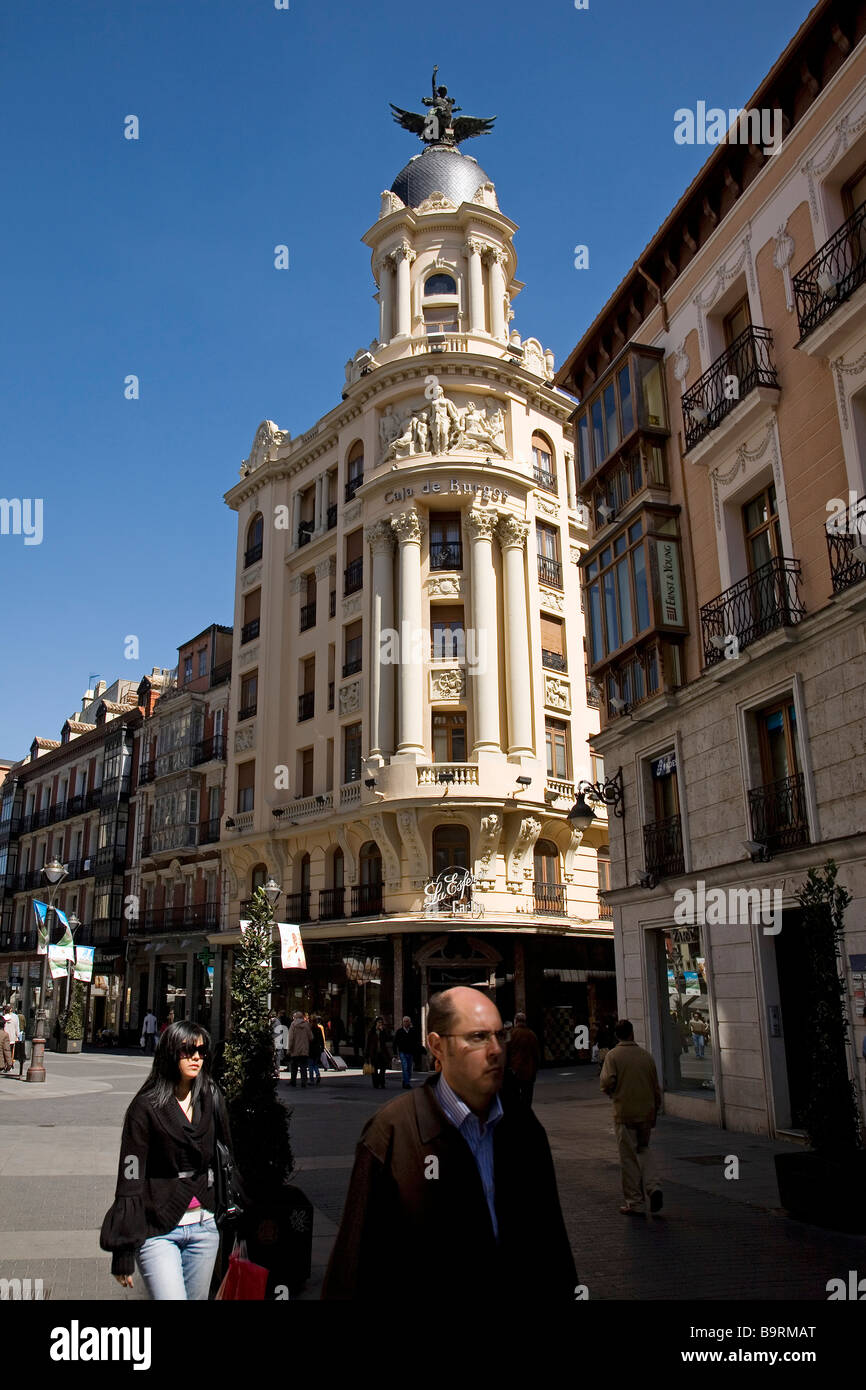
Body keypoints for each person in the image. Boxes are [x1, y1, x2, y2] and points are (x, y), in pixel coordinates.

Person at [322, 986, 576, 1300]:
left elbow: (554, 1253)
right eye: (477, 1037)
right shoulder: (391, 1133)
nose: (496, 1049)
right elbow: (352, 1272)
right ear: (437, 1047)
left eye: (499, 1035)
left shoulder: (524, 1129)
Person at [99, 1020, 233, 1299]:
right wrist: (123, 1249)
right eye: (188, 1050)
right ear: (171, 1053)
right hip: (158, 1231)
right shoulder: (145, 1107)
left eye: (201, 1051)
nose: (196, 1057)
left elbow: (227, 1158)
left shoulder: (211, 1097)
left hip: (205, 1226)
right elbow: (130, 1178)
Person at [600, 1019, 663, 1217]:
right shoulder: (646, 1056)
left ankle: (635, 1202)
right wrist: (655, 1109)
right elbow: (656, 1086)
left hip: (625, 1112)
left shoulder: (613, 1056)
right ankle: (654, 1187)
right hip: (646, 1112)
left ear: (617, 1035)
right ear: (632, 1033)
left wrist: (611, 1092)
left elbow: (607, 1081)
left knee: (628, 1157)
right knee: (644, 1149)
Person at [504, 1011, 540, 1107]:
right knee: (527, 1099)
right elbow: (536, 1055)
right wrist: (535, 1071)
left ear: (515, 1021)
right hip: (529, 1072)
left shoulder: (510, 1034)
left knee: (514, 1098)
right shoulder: (532, 1035)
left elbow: (505, 1052)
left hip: (514, 1072)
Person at [287, 1011, 312, 1088]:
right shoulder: (306, 1025)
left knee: (294, 1066)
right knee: (303, 1067)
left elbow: (290, 1038)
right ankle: (304, 1082)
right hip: (304, 1050)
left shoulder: (293, 1024)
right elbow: (311, 1037)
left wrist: (289, 1049)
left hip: (295, 1050)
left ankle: (293, 1081)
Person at [393, 1015, 419, 1090]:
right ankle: (407, 1083)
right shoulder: (399, 1031)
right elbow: (395, 1042)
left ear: (410, 1022)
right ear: (402, 1022)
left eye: (407, 1021)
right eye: (404, 1021)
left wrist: (417, 1051)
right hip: (402, 1052)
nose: (406, 1023)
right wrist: (395, 1054)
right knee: (405, 1067)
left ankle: (405, 1081)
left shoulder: (412, 1031)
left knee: (409, 1069)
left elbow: (416, 1042)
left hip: (410, 1052)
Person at [365, 1016, 391, 1089]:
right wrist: (367, 1055)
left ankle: (382, 1082)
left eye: (381, 1023)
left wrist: (383, 1031)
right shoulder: (371, 1032)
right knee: (374, 1070)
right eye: (379, 1022)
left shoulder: (383, 1031)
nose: (380, 1024)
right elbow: (368, 1043)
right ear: (376, 1023)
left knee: (383, 1069)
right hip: (374, 1053)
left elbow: (387, 1039)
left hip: (382, 1053)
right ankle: (376, 1083)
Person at [308, 1015, 326, 1086]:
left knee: (310, 1065)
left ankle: (311, 1080)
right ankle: (318, 1075)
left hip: (311, 1049)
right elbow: (321, 1039)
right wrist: (322, 1048)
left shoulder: (310, 1029)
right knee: (315, 1064)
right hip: (317, 1049)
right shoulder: (319, 1029)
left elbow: (308, 1039)